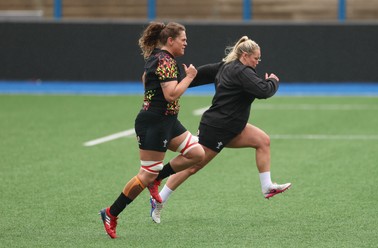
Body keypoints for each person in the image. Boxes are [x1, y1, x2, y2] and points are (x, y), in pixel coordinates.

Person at [148, 36, 292, 224]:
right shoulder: (242, 72)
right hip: (217, 128)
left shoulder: (225, 66)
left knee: (262, 140)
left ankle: (267, 186)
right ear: (245, 55)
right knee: (192, 166)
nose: (257, 63)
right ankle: (158, 199)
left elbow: (198, 75)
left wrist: (182, 80)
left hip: (234, 126)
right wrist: (273, 81)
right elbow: (263, 91)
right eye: (256, 58)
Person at [99, 22, 206, 239]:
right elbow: (171, 95)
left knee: (197, 154)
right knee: (146, 174)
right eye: (183, 39)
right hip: (155, 123)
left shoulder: (158, 57)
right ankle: (111, 212)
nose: (186, 43)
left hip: (167, 121)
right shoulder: (165, 60)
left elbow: (145, 80)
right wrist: (189, 77)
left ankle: (158, 178)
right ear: (170, 40)